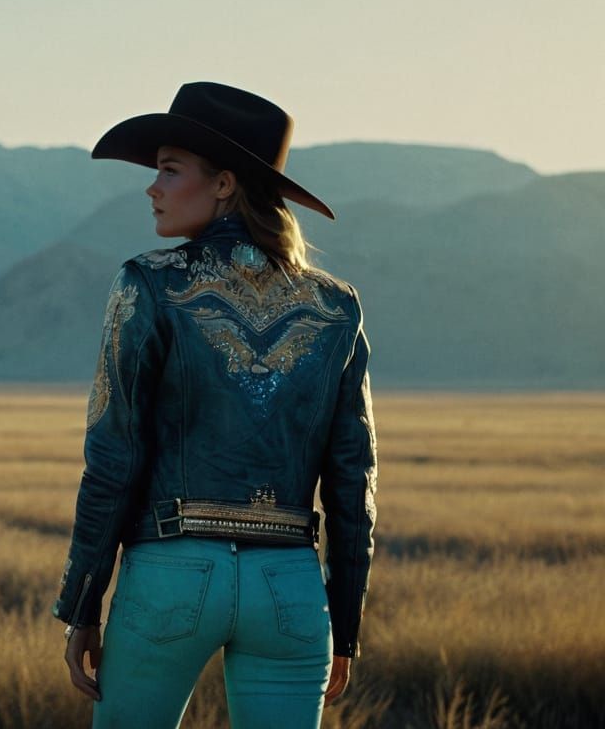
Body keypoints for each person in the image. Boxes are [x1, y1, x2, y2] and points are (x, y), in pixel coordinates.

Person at [53, 82, 377, 728]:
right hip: (289, 588)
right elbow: (353, 483)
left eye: (169, 171)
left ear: (224, 183)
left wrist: (83, 603)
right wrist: (343, 624)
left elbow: (113, 455)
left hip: (171, 573)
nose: (152, 188)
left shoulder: (149, 281)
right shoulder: (336, 305)